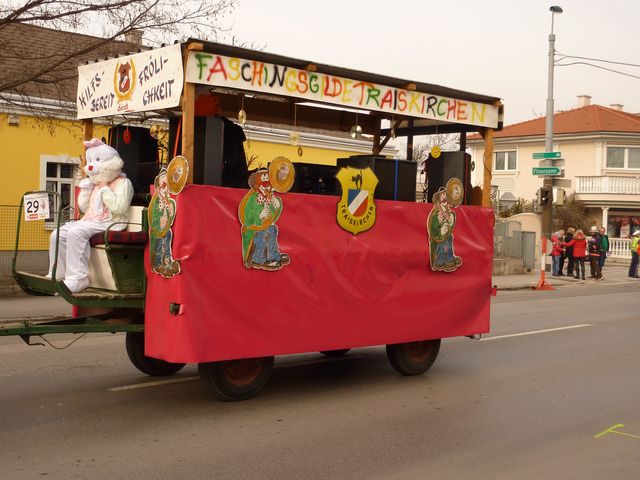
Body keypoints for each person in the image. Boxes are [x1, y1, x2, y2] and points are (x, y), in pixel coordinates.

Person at [47, 139, 133, 293]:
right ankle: (58, 274)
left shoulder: (123, 183)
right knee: (57, 234)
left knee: (76, 233)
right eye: (91, 161)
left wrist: (105, 190)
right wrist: (86, 191)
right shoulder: (97, 184)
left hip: (111, 221)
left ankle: (78, 278)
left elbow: (119, 208)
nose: (92, 166)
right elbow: (85, 208)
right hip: (91, 221)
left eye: (97, 160)